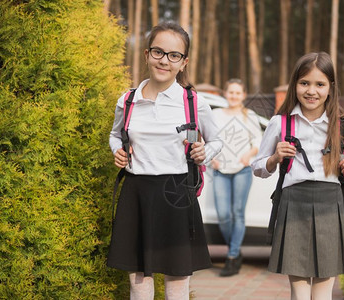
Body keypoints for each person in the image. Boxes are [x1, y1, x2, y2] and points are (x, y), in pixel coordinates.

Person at [107, 22, 222, 300]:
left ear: (184, 63)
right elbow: (115, 134)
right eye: (158, 52)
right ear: (147, 54)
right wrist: (117, 151)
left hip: (177, 193)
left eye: (174, 55)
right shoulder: (128, 100)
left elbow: (217, 141)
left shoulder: (193, 102)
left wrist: (204, 152)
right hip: (136, 193)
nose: (164, 61)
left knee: (177, 278)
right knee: (138, 279)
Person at [251, 52, 344, 300]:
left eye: (320, 84)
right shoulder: (280, 123)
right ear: (294, 84)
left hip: (331, 204)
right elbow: (258, 167)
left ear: (331, 88)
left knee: (324, 289)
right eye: (304, 83)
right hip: (293, 203)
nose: (311, 91)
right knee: (299, 288)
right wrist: (275, 158)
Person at [211, 79, 262, 276]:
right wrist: (212, 157)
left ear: (244, 95)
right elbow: (207, 138)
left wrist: (248, 156)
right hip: (220, 170)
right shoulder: (216, 115)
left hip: (242, 169)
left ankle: (232, 257)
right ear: (225, 93)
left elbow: (258, 141)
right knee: (223, 215)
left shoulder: (250, 116)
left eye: (237, 93)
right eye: (230, 92)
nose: (233, 96)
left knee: (237, 213)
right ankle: (236, 249)